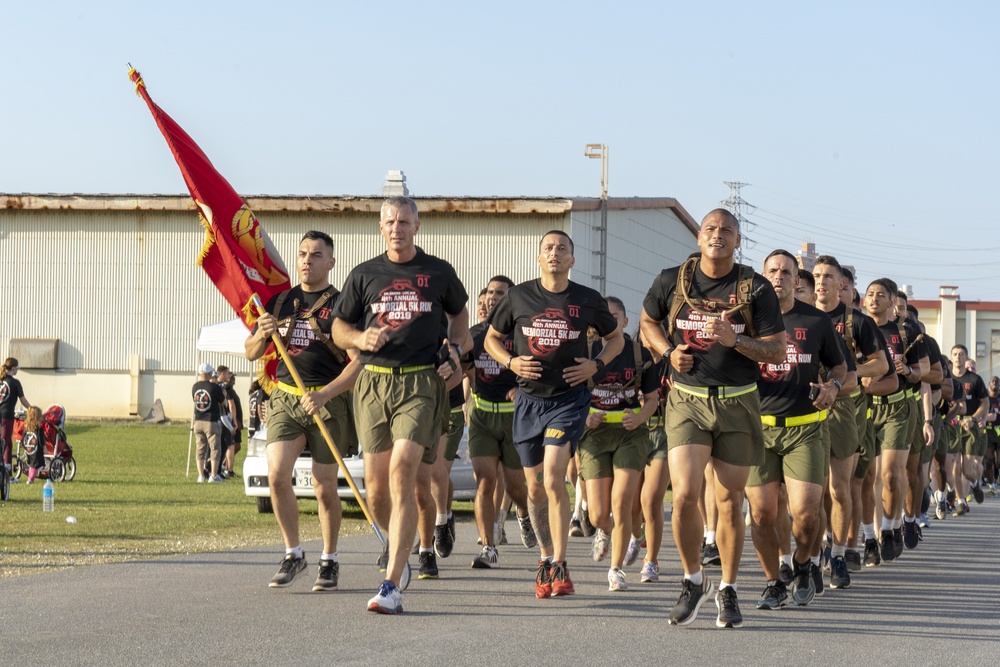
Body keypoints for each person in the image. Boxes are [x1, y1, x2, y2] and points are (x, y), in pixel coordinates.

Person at [640, 209, 786, 629]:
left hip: (738, 401)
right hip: (687, 399)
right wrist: (668, 353)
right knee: (684, 493)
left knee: (728, 500)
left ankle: (727, 588)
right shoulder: (672, 279)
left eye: (726, 231)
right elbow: (648, 321)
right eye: (710, 229)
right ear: (699, 236)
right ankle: (692, 578)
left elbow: (776, 350)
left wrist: (736, 339)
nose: (717, 236)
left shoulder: (755, 287)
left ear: (738, 241)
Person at [331, 196, 470, 614]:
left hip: (421, 384)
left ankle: (391, 584)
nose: (397, 228)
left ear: (417, 226)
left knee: (404, 471)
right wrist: (359, 339)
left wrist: (457, 351)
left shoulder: (438, 272)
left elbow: (460, 317)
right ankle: (397, 542)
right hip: (373, 384)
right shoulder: (364, 274)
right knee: (376, 488)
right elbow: (339, 327)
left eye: (404, 221)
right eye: (390, 221)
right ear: (381, 227)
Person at [486, 230, 623, 599]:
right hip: (529, 402)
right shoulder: (518, 296)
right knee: (532, 488)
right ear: (538, 257)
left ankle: (561, 563)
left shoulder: (587, 299)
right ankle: (546, 558)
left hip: (568, 399)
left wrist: (595, 366)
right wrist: (511, 361)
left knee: (553, 477)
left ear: (572, 260)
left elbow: (617, 339)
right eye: (548, 248)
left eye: (562, 249)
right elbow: (490, 339)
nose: (554, 253)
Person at [246, 230, 363, 592]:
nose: (307, 260)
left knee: (324, 486)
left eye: (316, 255)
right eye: (302, 254)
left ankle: (329, 559)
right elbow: (250, 351)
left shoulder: (344, 305)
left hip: (328, 401)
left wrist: (326, 394)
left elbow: (358, 363)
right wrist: (262, 333)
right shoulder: (279, 303)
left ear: (331, 262)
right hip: (285, 397)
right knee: (277, 475)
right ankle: (293, 552)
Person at [746, 250, 846, 610]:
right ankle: (773, 582)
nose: (778, 277)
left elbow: (839, 366)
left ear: (796, 280)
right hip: (758, 429)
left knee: (805, 514)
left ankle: (803, 564)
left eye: (786, 272)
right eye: (772, 270)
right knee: (762, 514)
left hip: (806, 429)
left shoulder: (817, 321)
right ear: (762, 275)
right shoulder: (748, 321)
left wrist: (832, 387)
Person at [812, 256, 888, 586]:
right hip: (804, 407)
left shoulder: (857, 322)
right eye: (816, 276)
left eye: (829, 276)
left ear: (842, 284)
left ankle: (841, 555)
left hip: (844, 407)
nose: (822, 282)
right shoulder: (800, 317)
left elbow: (881, 364)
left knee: (840, 489)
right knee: (811, 494)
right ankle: (812, 559)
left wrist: (848, 374)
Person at [579, 296, 659, 591]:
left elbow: (652, 400)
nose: (609, 322)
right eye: (604, 317)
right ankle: (606, 531)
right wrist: (586, 417)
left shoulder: (640, 355)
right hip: (594, 436)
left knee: (623, 501)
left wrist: (639, 419)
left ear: (625, 322)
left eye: (615, 317)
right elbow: (570, 397)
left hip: (630, 434)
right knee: (599, 513)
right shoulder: (584, 353)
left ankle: (616, 570)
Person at [467, 276, 536, 569]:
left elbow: (540, 368)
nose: (493, 298)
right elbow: (462, 368)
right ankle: (489, 546)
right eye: (490, 292)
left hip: (514, 418)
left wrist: (522, 389)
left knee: (516, 486)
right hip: (482, 414)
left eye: (500, 293)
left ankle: (522, 513)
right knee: (484, 480)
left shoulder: (523, 332)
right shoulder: (475, 334)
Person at [192, 363, 226, 483]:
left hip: (198, 420)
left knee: (200, 449)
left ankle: (201, 475)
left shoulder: (195, 387)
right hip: (211, 421)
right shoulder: (214, 387)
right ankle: (213, 475)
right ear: (208, 374)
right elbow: (223, 403)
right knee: (215, 448)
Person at [1, 357, 31, 478]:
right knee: (6, 443)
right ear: (13, 368)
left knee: (4, 443)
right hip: (6, 416)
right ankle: (7, 474)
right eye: (17, 368)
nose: (17, 370)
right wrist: (31, 409)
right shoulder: (14, 383)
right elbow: (22, 399)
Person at [21, 405, 46, 484]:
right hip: (36, 450)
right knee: (35, 465)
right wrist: (45, 448)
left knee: (31, 464)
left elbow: (23, 438)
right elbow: (41, 440)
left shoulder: (26, 428)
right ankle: (31, 479)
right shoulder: (39, 428)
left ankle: (30, 478)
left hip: (29, 449)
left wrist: (24, 446)